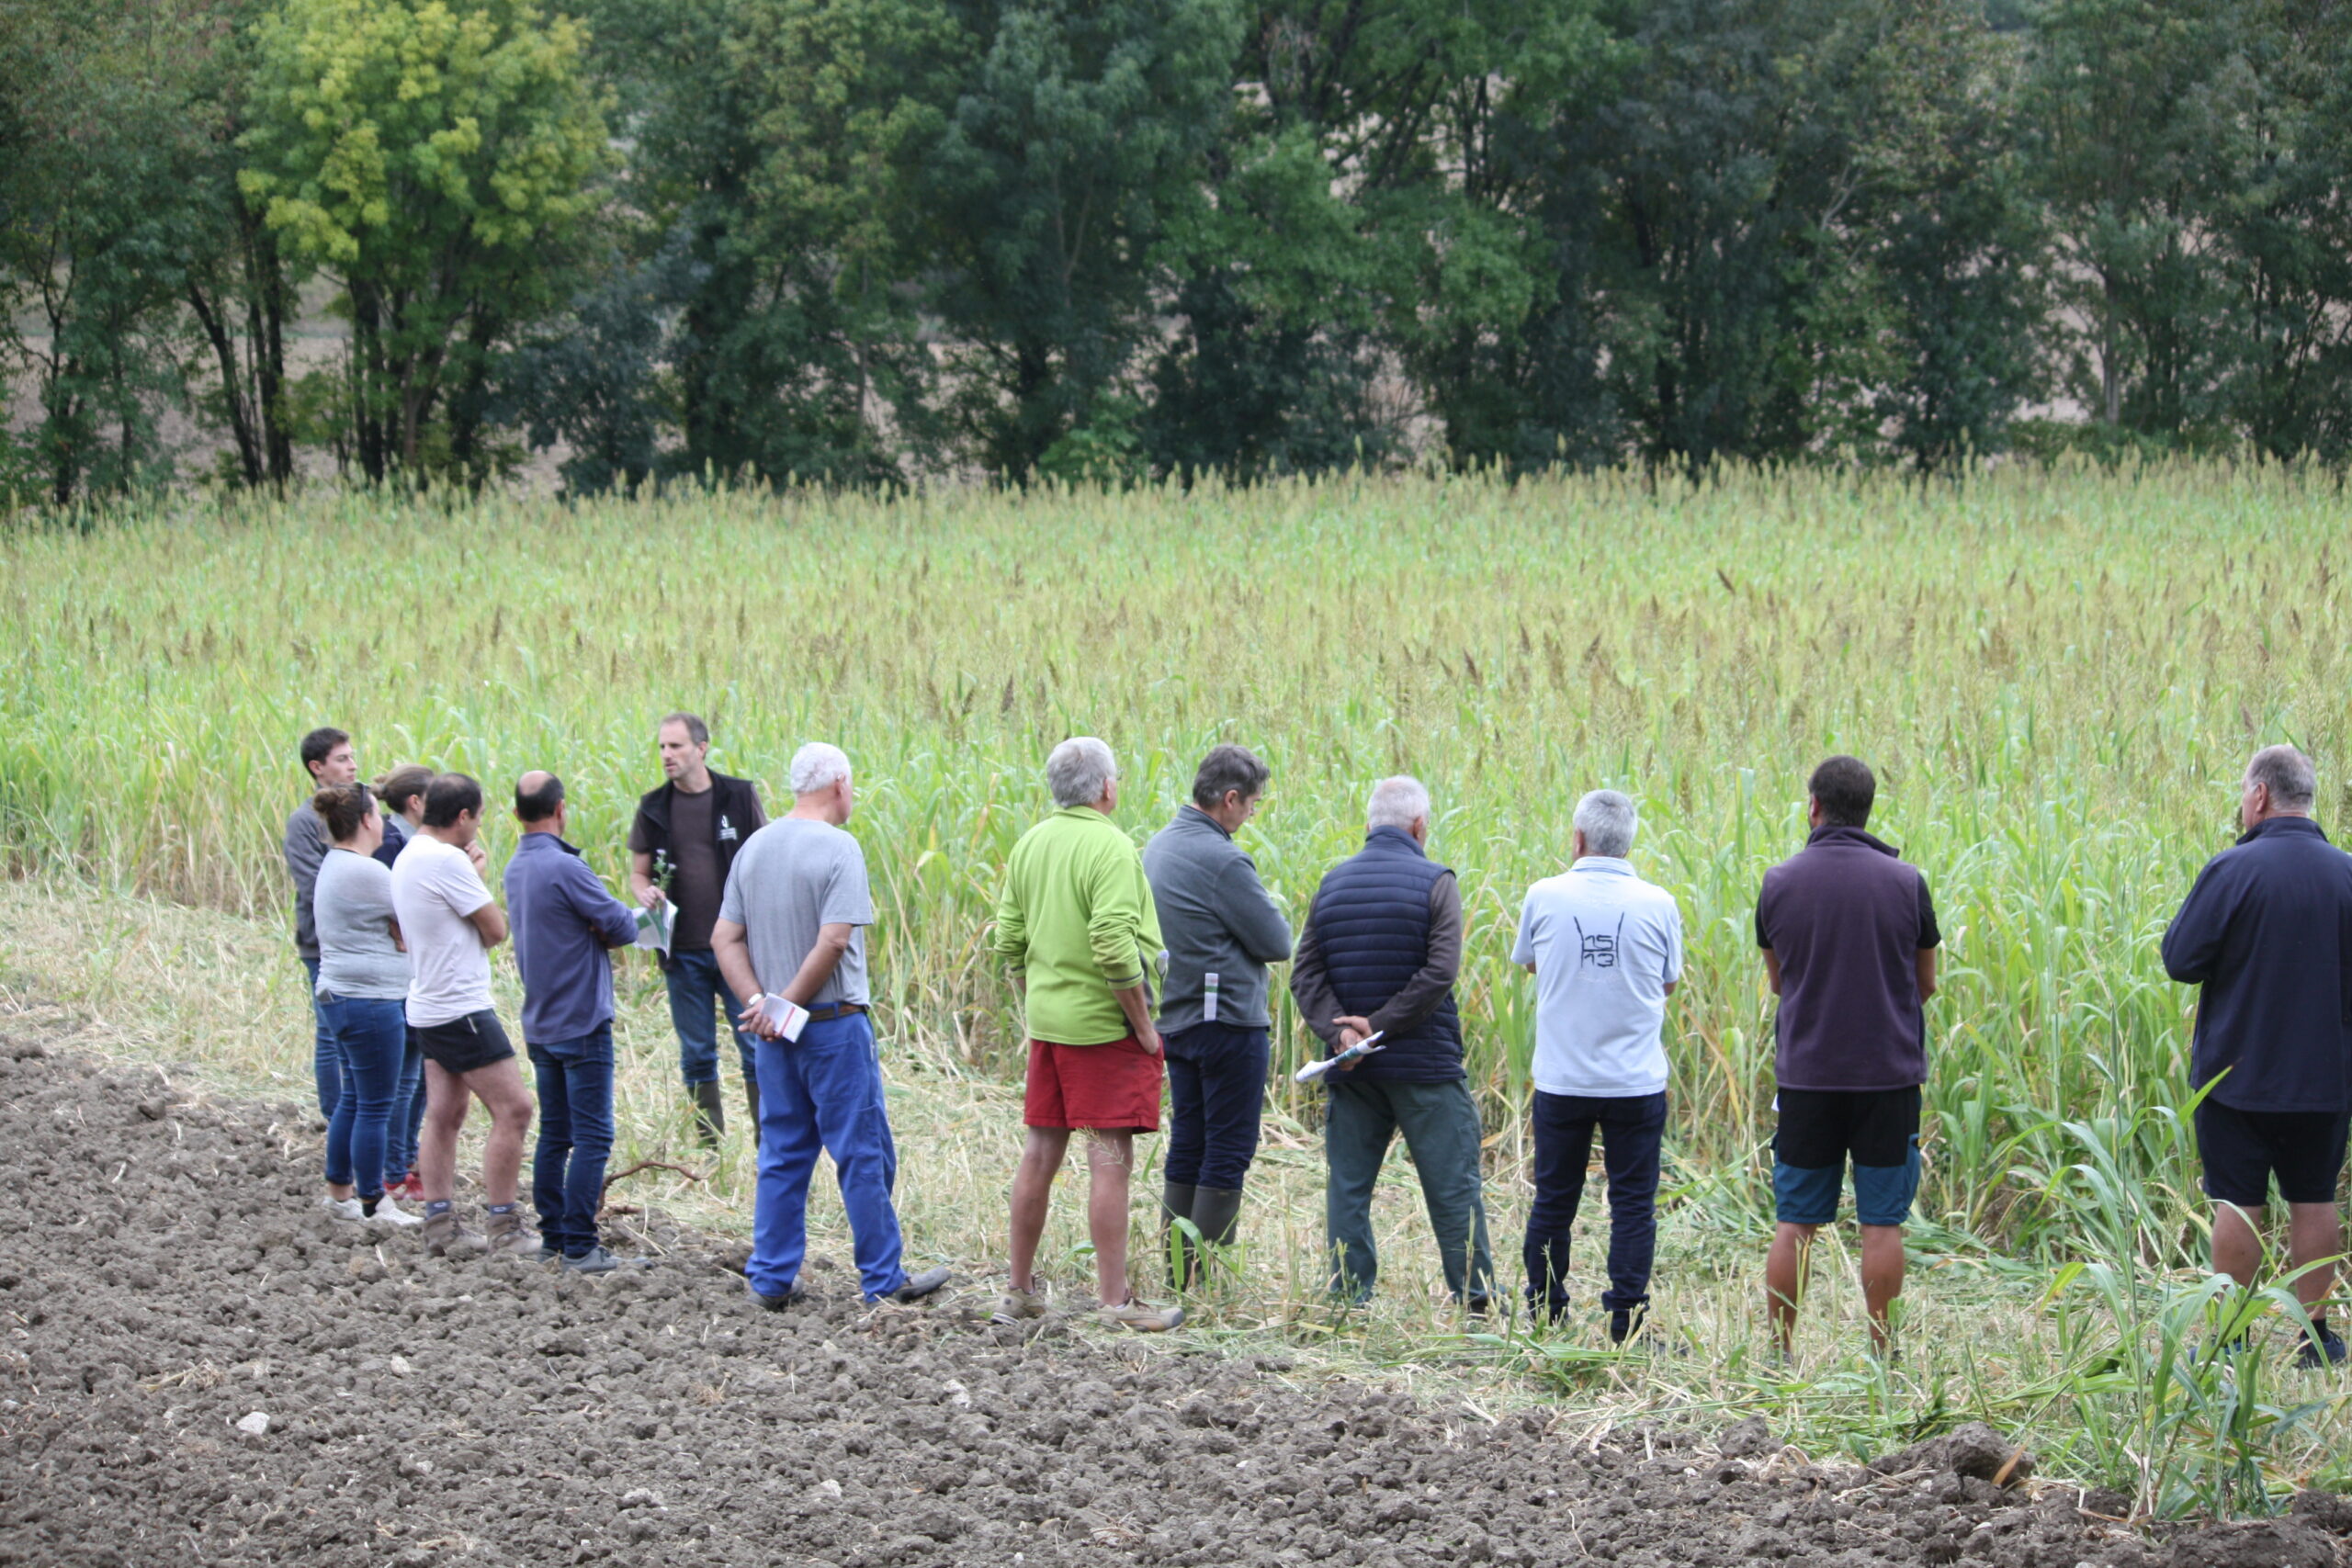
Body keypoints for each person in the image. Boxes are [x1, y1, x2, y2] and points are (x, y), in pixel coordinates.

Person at [710, 743, 951, 1308]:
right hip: (832, 1027)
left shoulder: (754, 846)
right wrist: (786, 1004)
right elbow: (835, 940)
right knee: (861, 1153)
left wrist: (762, 1005)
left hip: (773, 1036)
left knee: (782, 1154)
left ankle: (770, 1279)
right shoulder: (840, 847)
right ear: (839, 784)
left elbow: (724, 937)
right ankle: (882, 1281)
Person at [2163, 744, 2352, 1369]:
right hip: (2326, 1075)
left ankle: (2231, 1337)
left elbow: (2180, 960)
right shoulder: (2346, 873)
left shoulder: (2232, 870)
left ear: (2261, 795)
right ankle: (2315, 1338)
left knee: (2237, 1200)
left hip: (2235, 1075)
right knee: (2314, 1196)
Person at [989, 738, 1183, 1333]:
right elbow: (1113, 944)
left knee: (1039, 1153)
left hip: (1049, 1028)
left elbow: (1008, 941)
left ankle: (1019, 1291)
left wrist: (1036, 1004)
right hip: (1103, 1030)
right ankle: (1114, 1302)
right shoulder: (1111, 846)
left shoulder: (1030, 843)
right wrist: (1144, 1027)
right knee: (1109, 1160)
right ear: (1106, 787)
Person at [1755, 755, 1940, 1357]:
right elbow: (1926, 983)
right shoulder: (1906, 882)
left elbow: (1780, 982)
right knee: (1881, 1222)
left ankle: (1780, 1354)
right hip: (1888, 1077)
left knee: (1796, 1221)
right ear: (1867, 808)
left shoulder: (1778, 883)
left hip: (1808, 1077)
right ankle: (1883, 1355)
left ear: (1814, 806)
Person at [1292, 775, 1496, 1313]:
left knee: (1349, 1186)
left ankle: (1347, 1299)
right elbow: (1440, 973)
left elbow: (1305, 974)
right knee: (1452, 1186)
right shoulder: (1437, 882)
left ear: (1369, 824)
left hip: (1352, 1069)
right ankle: (1475, 1301)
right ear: (1420, 826)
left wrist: (1343, 1034)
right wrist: (1379, 1025)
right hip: (1426, 1066)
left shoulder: (1332, 885)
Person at [1511, 789, 1682, 1341]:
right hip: (1635, 1080)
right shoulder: (1659, 902)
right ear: (1628, 843)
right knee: (1632, 1206)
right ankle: (1626, 1323)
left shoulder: (1544, 894)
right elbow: (1668, 982)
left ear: (1578, 838)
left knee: (1553, 1199)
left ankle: (1546, 1314)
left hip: (1563, 1078)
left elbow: (1532, 963)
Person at [1141, 744, 1293, 1289]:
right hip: (1225, 1022)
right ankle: (1204, 1281)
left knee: (1188, 1143)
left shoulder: (1158, 846)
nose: (1252, 813)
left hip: (1176, 1018)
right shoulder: (1223, 859)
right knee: (1227, 1149)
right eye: (1252, 803)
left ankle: (1177, 1273)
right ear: (1229, 799)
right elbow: (1277, 941)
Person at [390, 773, 537, 1259]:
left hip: (427, 1003)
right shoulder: (447, 860)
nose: (478, 826)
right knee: (514, 1108)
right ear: (462, 816)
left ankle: (439, 1223)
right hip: (461, 1006)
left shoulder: (409, 853)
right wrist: (474, 876)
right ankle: (505, 1225)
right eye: (478, 817)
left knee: (445, 1113)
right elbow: (495, 930)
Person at [504, 772, 643, 1274]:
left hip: (540, 1020)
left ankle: (554, 1238)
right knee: (593, 1137)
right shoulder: (565, 867)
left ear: (516, 814)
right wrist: (599, 924)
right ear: (561, 809)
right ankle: (582, 1245)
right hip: (581, 1020)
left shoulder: (515, 866)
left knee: (555, 1134)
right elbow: (624, 926)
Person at [628, 713, 766, 1144]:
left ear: (701, 748)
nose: (667, 755)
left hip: (738, 948)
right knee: (697, 1053)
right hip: (682, 951)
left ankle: (770, 1144)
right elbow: (638, 873)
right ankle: (710, 1147)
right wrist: (646, 893)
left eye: (676, 746)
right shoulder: (653, 806)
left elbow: (766, 854)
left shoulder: (737, 796)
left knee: (755, 1048)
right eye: (662, 747)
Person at [308, 783, 424, 1230]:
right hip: (369, 1001)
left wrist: (400, 929)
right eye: (378, 814)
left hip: (344, 996)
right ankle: (375, 1202)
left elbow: (404, 924)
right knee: (376, 1104)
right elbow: (422, 916)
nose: (384, 823)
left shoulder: (338, 864)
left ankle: (341, 1195)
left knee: (355, 1099)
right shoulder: (366, 872)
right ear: (367, 820)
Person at [285, 727, 357, 1123]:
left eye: (352, 757)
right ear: (317, 767)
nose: (353, 765)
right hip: (322, 942)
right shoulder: (304, 822)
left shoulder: (362, 811)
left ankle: (356, 1114)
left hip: (363, 940)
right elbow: (314, 887)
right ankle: (334, 1117)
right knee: (330, 1032)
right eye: (342, 759)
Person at [372, 762, 435, 1201]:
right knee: (406, 1077)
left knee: (420, 1076)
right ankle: (394, 1169)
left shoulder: (410, 842)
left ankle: (405, 1160)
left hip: (414, 970)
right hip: (398, 974)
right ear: (415, 803)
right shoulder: (392, 843)